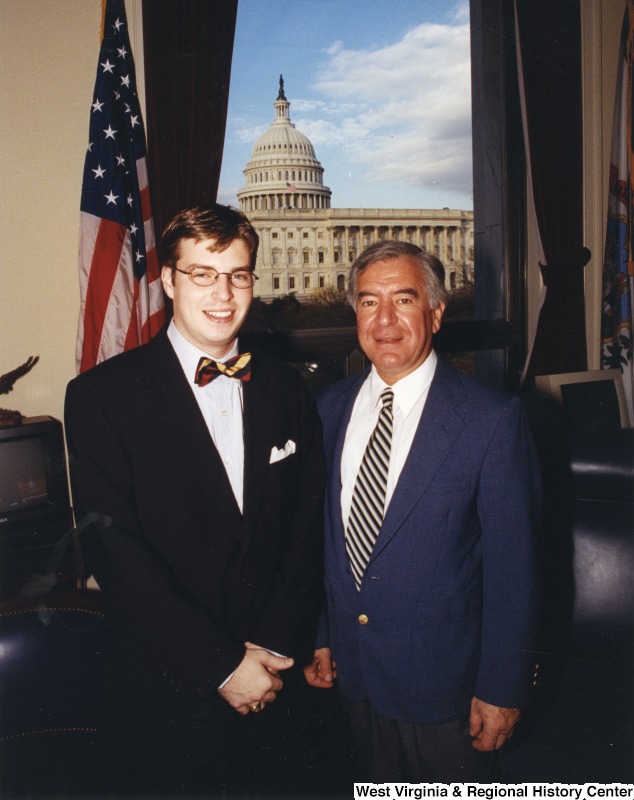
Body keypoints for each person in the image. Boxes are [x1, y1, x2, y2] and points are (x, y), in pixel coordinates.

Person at [65, 204, 325, 797]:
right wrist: (223, 666)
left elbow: (308, 528)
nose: (223, 293)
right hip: (166, 688)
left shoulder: (286, 387)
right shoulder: (101, 397)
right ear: (169, 281)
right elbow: (117, 554)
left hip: (275, 684)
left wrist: (272, 650)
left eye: (237, 274)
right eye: (203, 273)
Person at [304, 240, 541, 783]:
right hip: (351, 674)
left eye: (403, 300)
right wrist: (321, 632)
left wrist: (503, 688)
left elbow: (516, 570)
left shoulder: (492, 420)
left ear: (435, 313)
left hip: (448, 690)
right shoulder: (327, 409)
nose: (384, 319)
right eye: (368, 302)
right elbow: (321, 541)